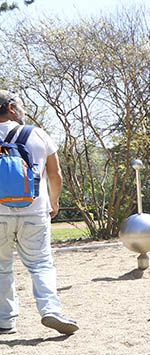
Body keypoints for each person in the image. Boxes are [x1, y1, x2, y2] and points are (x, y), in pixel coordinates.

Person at [0, 91, 78, 336]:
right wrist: (54, 202)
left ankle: (5, 320)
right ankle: (50, 310)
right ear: (11, 108)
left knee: (1, 266)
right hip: (35, 210)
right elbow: (55, 175)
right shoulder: (37, 133)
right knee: (41, 264)